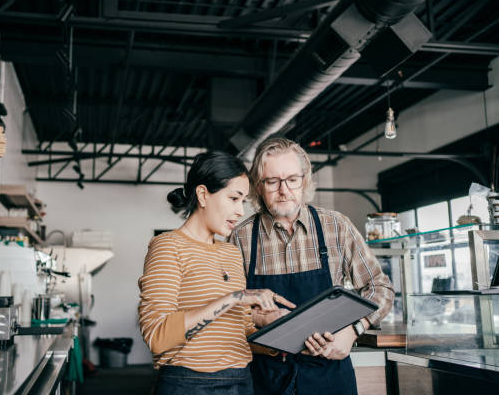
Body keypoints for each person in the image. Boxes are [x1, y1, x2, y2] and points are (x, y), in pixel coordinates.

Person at [229, 138, 395, 395]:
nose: (283, 190)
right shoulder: (240, 237)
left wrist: (354, 331)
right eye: (272, 181)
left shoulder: (336, 226)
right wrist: (258, 317)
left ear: (304, 180)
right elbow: (228, 308)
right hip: (265, 376)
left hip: (329, 372)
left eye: (292, 179)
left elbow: (380, 288)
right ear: (258, 187)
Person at [138, 151, 295, 395]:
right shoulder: (168, 245)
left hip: (241, 381)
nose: (241, 211)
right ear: (203, 195)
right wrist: (233, 298)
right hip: (188, 385)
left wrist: (278, 338)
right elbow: (157, 336)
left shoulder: (231, 253)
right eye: (234, 198)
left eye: (243, 201)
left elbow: (240, 329)